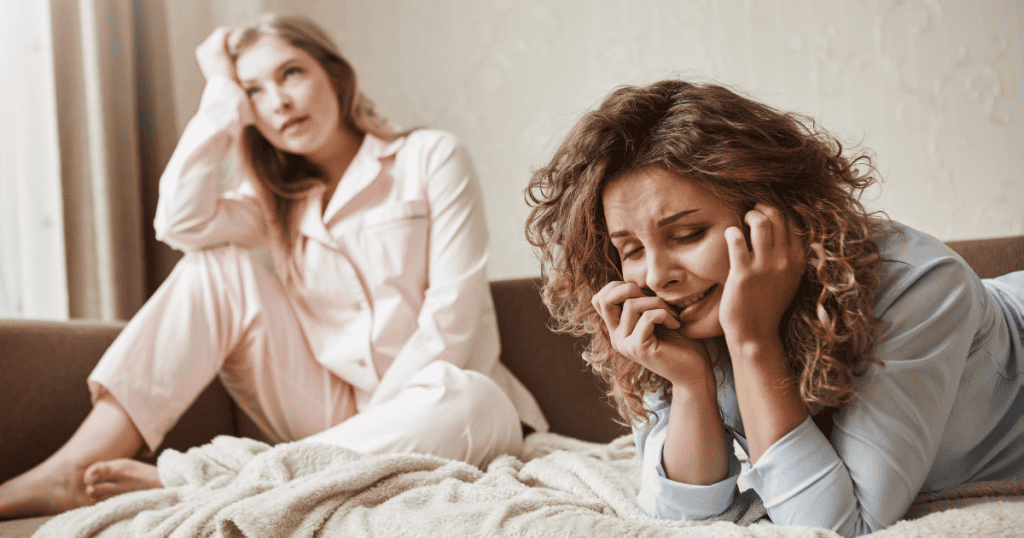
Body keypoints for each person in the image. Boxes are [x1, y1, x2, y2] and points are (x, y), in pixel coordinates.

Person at [0, 13, 546, 518]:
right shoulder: (276, 201)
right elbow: (179, 222)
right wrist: (219, 98)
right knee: (213, 270)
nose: (279, 101)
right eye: (254, 91)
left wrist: (381, 424)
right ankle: (74, 467)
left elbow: (453, 317)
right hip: (329, 418)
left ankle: (220, 480)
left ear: (335, 75)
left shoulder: (430, 156)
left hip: (442, 410)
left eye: (291, 73)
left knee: (470, 393)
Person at [524, 78, 1024, 537]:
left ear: (773, 215)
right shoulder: (675, 314)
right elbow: (678, 518)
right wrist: (691, 385)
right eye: (631, 249)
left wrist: (752, 342)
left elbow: (836, 528)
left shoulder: (921, 287)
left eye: (687, 234)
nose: (656, 276)